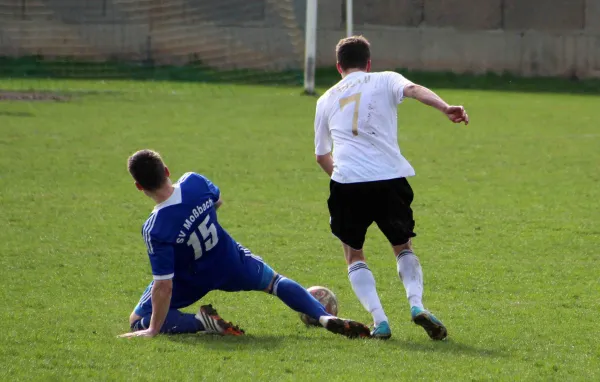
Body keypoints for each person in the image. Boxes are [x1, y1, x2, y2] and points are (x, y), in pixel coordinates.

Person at [118, 149, 370, 339]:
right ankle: (324, 316)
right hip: (228, 258)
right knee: (275, 282)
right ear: (167, 170)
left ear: (139, 186)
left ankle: (201, 322)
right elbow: (216, 202)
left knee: (137, 319)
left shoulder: (156, 227)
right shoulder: (193, 182)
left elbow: (163, 286)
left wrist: (152, 330)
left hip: (190, 277)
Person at [313, 36, 469, 340]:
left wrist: (344, 177)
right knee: (403, 246)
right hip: (390, 179)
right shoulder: (385, 79)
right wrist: (444, 106)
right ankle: (416, 305)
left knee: (354, 254)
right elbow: (413, 89)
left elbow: (321, 156)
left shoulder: (326, 99)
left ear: (338, 67)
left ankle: (380, 321)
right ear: (368, 63)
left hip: (348, 183)